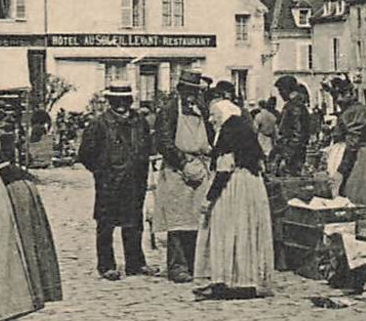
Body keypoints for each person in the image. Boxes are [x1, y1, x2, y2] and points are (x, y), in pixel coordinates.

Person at [0, 137, 63, 321]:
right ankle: (27, 298)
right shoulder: (15, 176)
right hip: (18, 200)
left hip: (0, 217)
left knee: (2, 260)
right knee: (25, 253)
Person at [193, 83, 273, 300]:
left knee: (229, 230)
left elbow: (223, 171)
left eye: (212, 115)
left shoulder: (228, 135)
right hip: (250, 187)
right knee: (244, 230)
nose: (210, 120)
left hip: (234, 189)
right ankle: (245, 279)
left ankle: (230, 281)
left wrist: (209, 200)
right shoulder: (243, 133)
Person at [77, 84, 156, 280]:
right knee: (106, 224)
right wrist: (102, 172)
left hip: (135, 180)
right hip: (109, 182)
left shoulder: (140, 122)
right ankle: (106, 266)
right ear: (109, 101)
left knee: (134, 223)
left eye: (125, 100)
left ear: (130, 100)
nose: (121, 105)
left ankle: (135, 263)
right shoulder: (99, 123)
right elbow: (86, 154)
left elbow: (147, 148)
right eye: (116, 100)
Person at [151, 72, 213, 283]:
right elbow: (164, 141)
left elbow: (210, 136)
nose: (191, 95)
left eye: (194, 91)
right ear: (180, 89)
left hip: (201, 166)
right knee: (178, 220)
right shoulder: (168, 112)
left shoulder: (201, 110)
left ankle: (195, 263)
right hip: (177, 170)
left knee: (198, 218)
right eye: (187, 90)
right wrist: (183, 162)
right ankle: (177, 266)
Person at [329, 76, 366, 216]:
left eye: (339, 96)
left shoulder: (355, 112)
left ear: (348, 94)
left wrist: (341, 170)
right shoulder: (360, 110)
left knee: (357, 197)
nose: (337, 101)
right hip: (363, 155)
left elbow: (353, 143)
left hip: (358, 159)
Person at [272, 76, 311, 174]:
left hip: (293, 155)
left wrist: (286, 155)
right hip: (292, 152)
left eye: (280, 90)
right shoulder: (294, 105)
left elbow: (298, 134)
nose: (280, 94)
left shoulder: (295, 107)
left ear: (286, 89)